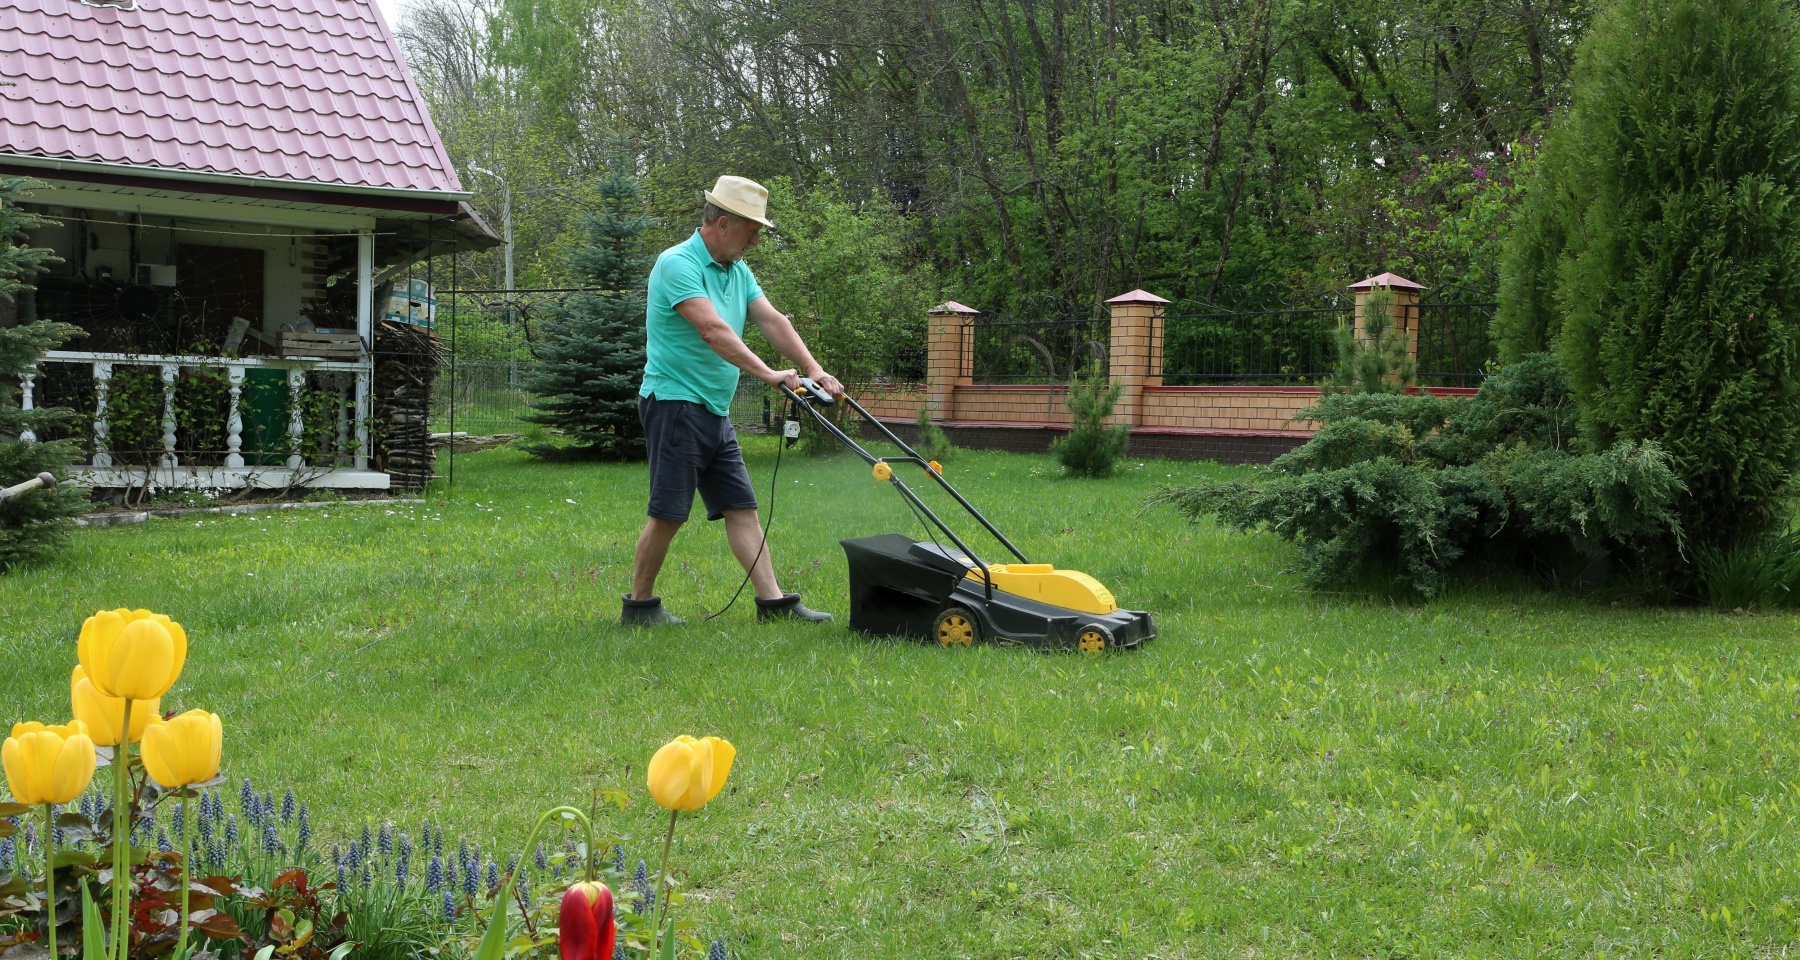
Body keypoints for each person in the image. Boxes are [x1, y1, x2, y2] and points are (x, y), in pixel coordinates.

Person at [622, 175, 844, 627]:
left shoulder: (736, 270)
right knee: (668, 513)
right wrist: (767, 373)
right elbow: (712, 330)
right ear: (723, 223)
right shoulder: (677, 264)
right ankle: (639, 606)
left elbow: (771, 319)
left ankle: (774, 604)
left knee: (741, 508)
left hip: (713, 410)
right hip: (675, 404)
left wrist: (814, 368)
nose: (757, 240)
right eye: (752, 230)